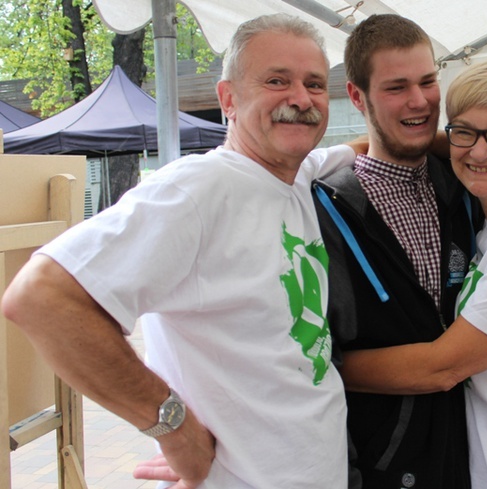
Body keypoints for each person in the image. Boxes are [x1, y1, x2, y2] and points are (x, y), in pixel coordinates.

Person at [1, 14, 357, 489]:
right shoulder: (198, 188)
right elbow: (42, 299)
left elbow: (360, 147)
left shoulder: (294, 175)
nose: (301, 98)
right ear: (228, 98)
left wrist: (453, 143)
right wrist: (171, 425)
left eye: (315, 84)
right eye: (277, 80)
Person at [313, 14, 487, 488]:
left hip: (477, 458)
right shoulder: (321, 208)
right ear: (357, 96)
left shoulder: (467, 185)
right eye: (396, 87)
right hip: (376, 463)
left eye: (427, 82)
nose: (419, 101)